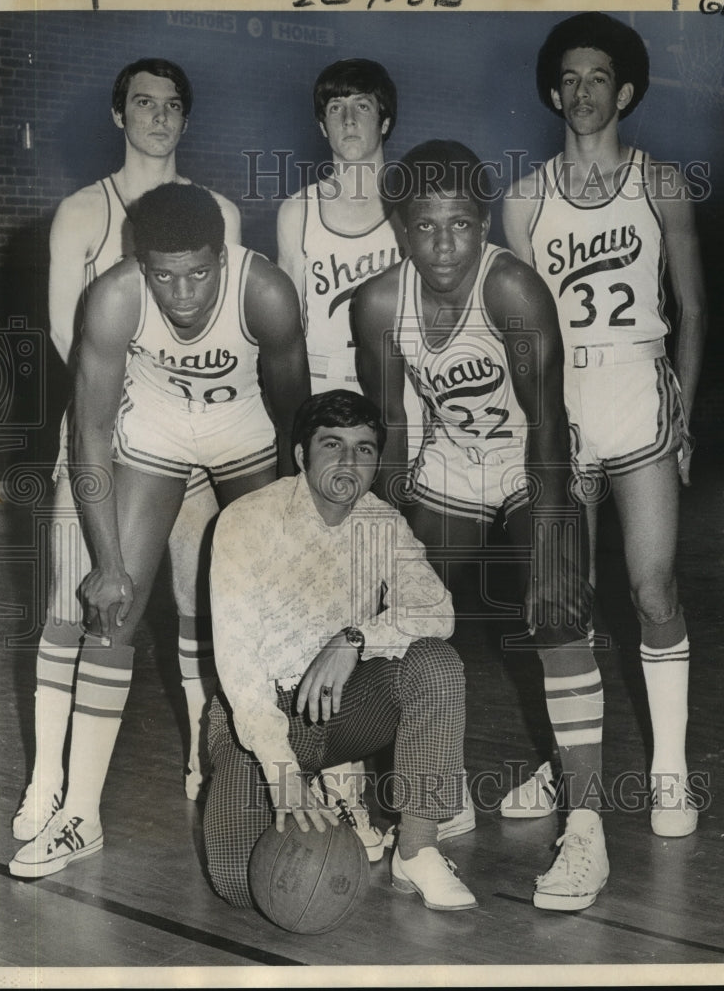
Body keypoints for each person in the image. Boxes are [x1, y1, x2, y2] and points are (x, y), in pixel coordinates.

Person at [8, 182, 310, 878]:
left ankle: (313, 781)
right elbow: (87, 434)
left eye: (198, 273)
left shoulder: (263, 290)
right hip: (157, 432)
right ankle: (79, 813)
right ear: (138, 262)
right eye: (163, 275)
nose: (181, 294)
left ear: (223, 256)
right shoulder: (115, 298)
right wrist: (109, 562)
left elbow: (297, 417)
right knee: (112, 611)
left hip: (245, 432)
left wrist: (297, 531)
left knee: (271, 612)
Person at [354, 139, 607, 911]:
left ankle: (589, 825)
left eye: (459, 225)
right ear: (399, 225)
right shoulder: (374, 303)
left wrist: (556, 544)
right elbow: (391, 432)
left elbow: (547, 421)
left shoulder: (513, 290)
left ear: (484, 220)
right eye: (423, 226)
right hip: (452, 458)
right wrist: (387, 539)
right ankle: (437, 789)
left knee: (559, 619)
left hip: (540, 457)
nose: (441, 244)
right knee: (405, 613)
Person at [11, 59, 242, 850]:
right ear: (118, 116)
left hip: (194, 437)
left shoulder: (216, 212)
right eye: (143, 104)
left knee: (193, 605)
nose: (158, 117)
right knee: (70, 612)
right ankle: (48, 783)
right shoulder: (81, 211)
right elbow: (62, 335)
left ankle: (202, 756)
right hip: (106, 435)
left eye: (173, 105)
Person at [502, 12, 707, 838]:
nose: (582, 92)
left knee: (652, 587)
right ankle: (565, 767)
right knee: (563, 604)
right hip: (561, 407)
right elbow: (515, 327)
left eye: (599, 78)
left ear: (623, 90)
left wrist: (684, 413)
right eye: (570, 79)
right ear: (554, 92)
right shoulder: (523, 199)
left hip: (638, 391)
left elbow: (691, 307)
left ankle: (668, 771)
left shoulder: (659, 185)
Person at [277, 58, 461, 859]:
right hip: (324, 417)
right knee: (321, 589)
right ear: (321, 125)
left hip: (396, 412)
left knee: (395, 591)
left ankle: (422, 780)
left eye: (363, 106)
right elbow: (284, 336)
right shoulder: (295, 212)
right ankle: (342, 782)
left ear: (385, 120)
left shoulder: (406, 211)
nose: (349, 119)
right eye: (336, 108)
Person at [204, 389, 477, 912]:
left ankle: (416, 849)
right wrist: (281, 773)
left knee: (436, 666)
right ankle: (327, 783)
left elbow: (438, 611)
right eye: (333, 445)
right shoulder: (246, 521)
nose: (349, 462)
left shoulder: (382, 524)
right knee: (242, 884)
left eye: (365, 449)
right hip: (261, 716)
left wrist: (354, 640)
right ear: (302, 455)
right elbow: (238, 668)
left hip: (341, 708)